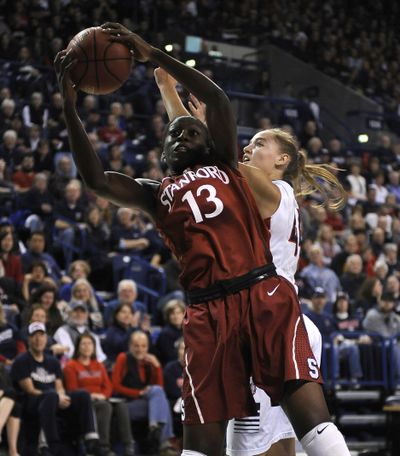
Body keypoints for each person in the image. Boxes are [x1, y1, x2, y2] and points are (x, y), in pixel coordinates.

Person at [55, 25, 350, 456]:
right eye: (174, 133)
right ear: (162, 156)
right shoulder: (156, 193)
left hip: (261, 295)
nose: (181, 133)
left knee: (304, 427)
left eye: (191, 132)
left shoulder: (231, 167)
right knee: (212, 443)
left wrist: (155, 55)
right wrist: (68, 106)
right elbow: (96, 180)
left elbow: (216, 102)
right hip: (207, 312)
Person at [154, 73, 334, 455]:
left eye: (260, 143)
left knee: (246, 445)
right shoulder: (270, 191)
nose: (249, 148)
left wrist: (172, 95)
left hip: (263, 316)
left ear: (282, 160)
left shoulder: (262, 187)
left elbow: (211, 156)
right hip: (281, 316)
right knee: (289, 442)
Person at [10, 322, 105, 456]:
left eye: (41, 336)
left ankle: (91, 440)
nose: (38, 339)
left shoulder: (53, 361)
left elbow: (59, 387)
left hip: (54, 399)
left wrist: (61, 396)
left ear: (46, 338)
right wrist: (55, 397)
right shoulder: (22, 360)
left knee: (82, 395)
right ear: (28, 339)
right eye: (34, 336)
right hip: (31, 402)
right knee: (50, 395)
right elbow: (30, 389)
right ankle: (47, 444)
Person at [63, 333, 135, 456]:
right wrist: (92, 396)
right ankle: (103, 446)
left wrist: (103, 395)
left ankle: (128, 446)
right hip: (84, 402)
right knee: (104, 406)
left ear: (94, 347)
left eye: (90, 344)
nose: (87, 347)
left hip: (101, 398)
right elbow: (72, 389)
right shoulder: (71, 366)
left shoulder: (99, 365)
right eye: (83, 344)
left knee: (122, 405)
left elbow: (108, 386)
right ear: (78, 347)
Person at [111, 330, 175, 455]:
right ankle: (163, 440)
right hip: (126, 404)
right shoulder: (123, 358)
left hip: (146, 404)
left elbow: (160, 388)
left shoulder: (149, 362)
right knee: (164, 402)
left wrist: (157, 366)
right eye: (136, 346)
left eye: (143, 346)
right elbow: (115, 386)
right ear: (130, 346)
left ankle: (154, 427)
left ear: (147, 347)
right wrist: (138, 393)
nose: (140, 349)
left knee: (161, 396)